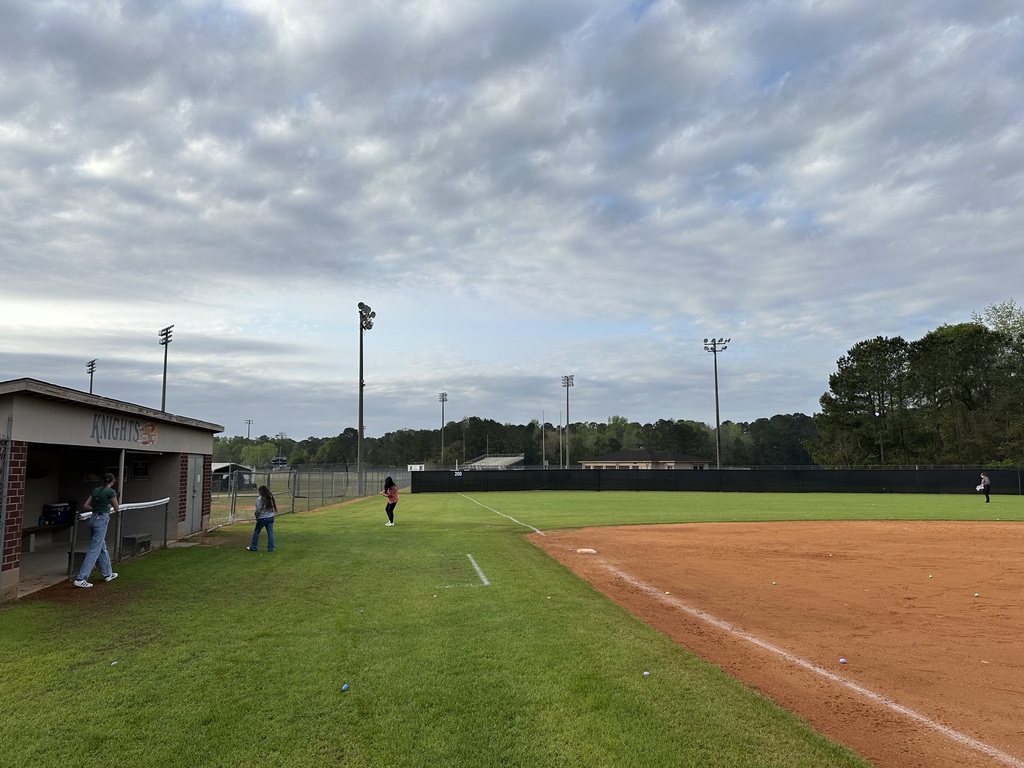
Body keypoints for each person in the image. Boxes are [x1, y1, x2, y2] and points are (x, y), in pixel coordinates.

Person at [73, 473, 119, 588]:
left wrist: (97, 508)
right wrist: (106, 508)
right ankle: (81, 578)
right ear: (112, 481)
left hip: (93, 519)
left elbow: (86, 505)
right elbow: (117, 508)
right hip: (101, 520)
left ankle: (108, 574)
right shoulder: (110, 492)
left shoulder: (95, 490)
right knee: (94, 549)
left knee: (101, 546)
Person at [247, 485, 277, 551]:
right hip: (270, 517)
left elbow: (258, 509)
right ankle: (271, 548)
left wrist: (256, 516)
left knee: (257, 532)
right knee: (270, 533)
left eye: (259, 491)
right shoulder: (270, 497)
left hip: (262, 518)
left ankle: (254, 547)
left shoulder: (260, 499)